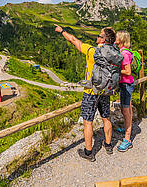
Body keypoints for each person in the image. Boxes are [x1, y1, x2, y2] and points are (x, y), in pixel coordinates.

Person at [55, 24, 116, 162]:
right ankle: (108, 145)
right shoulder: (113, 52)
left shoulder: (91, 51)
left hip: (91, 91)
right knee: (106, 118)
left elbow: (74, 40)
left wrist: (62, 31)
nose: (97, 37)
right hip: (106, 90)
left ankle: (89, 153)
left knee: (87, 122)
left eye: (99, 35)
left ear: (103, 40)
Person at [115, 31, 134, 152]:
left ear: (121, 39)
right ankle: (127, 128)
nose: (114, 38)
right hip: (125, 84)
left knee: (126, 111)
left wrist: (115, 69)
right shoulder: (123, 52)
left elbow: (128, 71)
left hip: (126, 84)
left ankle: (127, 139)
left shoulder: (124, 54)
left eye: (116, 37)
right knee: (125, 108)